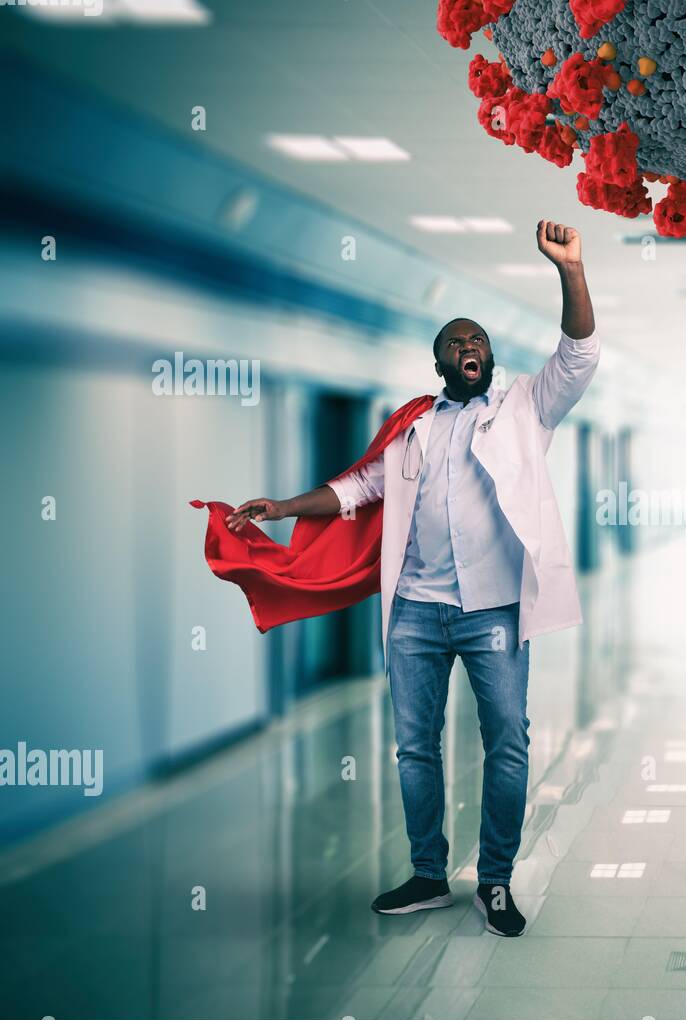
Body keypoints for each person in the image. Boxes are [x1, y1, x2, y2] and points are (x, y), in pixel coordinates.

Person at [220, 220, 599, 937]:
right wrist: (283, 507)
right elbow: (355, 489)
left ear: (491, 357)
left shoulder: (525, 409)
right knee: (415, 747)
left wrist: (570, 270)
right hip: (417, 613)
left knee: (508, 743)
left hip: (493, 613)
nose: (471, 347)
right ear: (439, 362)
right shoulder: (413, 427)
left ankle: (494, 881)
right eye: (457, 342)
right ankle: (429, 874)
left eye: (479, 340)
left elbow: (577, 357)